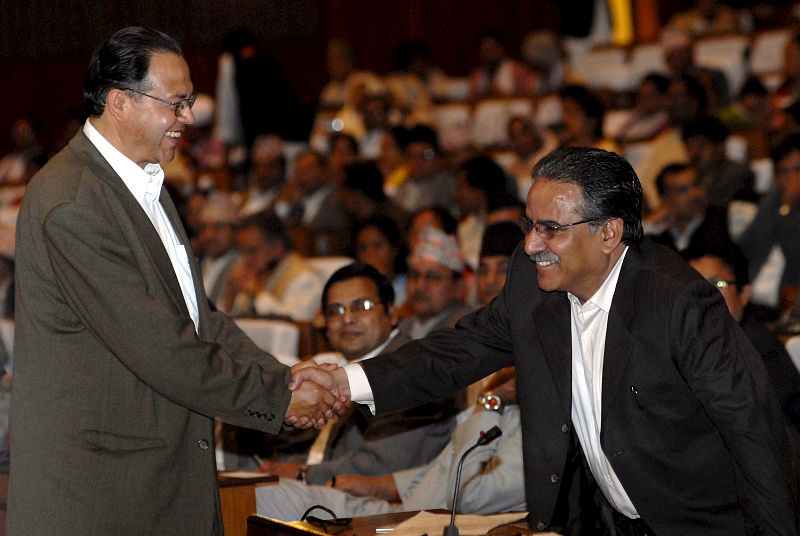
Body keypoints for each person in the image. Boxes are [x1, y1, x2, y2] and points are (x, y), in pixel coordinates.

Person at [295, 147, 799, 534]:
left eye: (550, 229)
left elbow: (754, 431)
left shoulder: (678, 302)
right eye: (529, 225)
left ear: (609, 233)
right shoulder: (532, 284)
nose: (532, 245)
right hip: (597, 520)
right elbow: (455, 352)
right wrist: (344, 380)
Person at [8, 27, 345, 535]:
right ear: (120, 102)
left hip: (153, 478)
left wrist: (282, 375)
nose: (188, 118)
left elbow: (196, 317)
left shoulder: (140, 180)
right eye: (177, 103)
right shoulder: (74, 203)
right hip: (106, 493)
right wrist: (278, 397)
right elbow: (163, 347)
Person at [257, 262, 458, 484]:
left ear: (392, 313)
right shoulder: (331, 367)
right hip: (320, 485)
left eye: (361, 306)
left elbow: (381, 464)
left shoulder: (409, 368)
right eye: (335, 311)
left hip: (377, 504)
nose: (347, 319)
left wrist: (302, 473)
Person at [254, 371, 525, 521]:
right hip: (399, 513)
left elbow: (469, 495)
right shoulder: (515, 409)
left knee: (268, 499)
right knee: (264, 495)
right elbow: (443, 470)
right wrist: (377, 486)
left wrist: (491, 401)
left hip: (422, 526)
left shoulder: (540, 430)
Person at [223, 210, 324, 320]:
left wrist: (256, 294)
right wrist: (231, 294)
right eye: (242, 252)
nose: (245, 259)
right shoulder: (258, 274)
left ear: (277, 247)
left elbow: (294, 324)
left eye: (252, 251)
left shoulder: (305, 279)